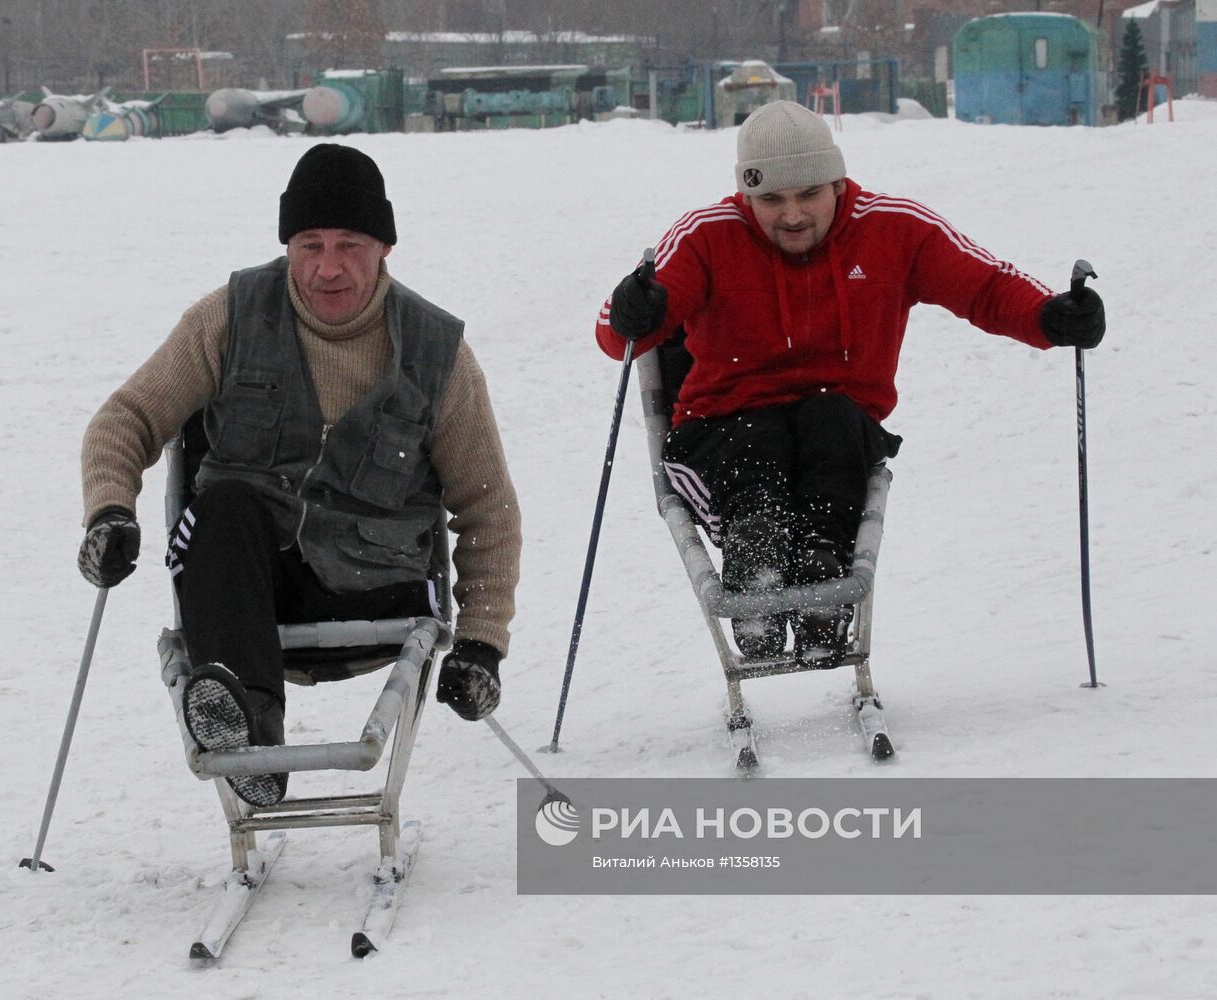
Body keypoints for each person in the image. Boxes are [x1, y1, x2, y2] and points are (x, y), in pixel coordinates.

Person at [77, 144, 522, 806]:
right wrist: (108, 511)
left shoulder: (437, 354)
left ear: (384, 249)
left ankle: (246, 722)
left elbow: (488, 509)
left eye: (349, 244)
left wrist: (482, 643)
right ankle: (248, 731)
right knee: (221, 505)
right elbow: (126, 418)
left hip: (383, 586)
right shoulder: (229, 317)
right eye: (309, 245)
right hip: (252, 589)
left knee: (232, 518)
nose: (327, 267)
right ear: (288, 246)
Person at [596, 100, 1104, 666]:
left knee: (833, 420)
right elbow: (615, 336)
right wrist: (629, 314)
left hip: (838, 428)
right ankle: (755, 566)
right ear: (746, 196)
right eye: (770, 200)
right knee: (758, 439)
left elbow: (984, 286)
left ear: (838, 183)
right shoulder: (707, 236)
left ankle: (823, 572)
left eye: (808, 194)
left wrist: (1049, 317)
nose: (792, 215)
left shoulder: (893, 228)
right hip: (723, 432)